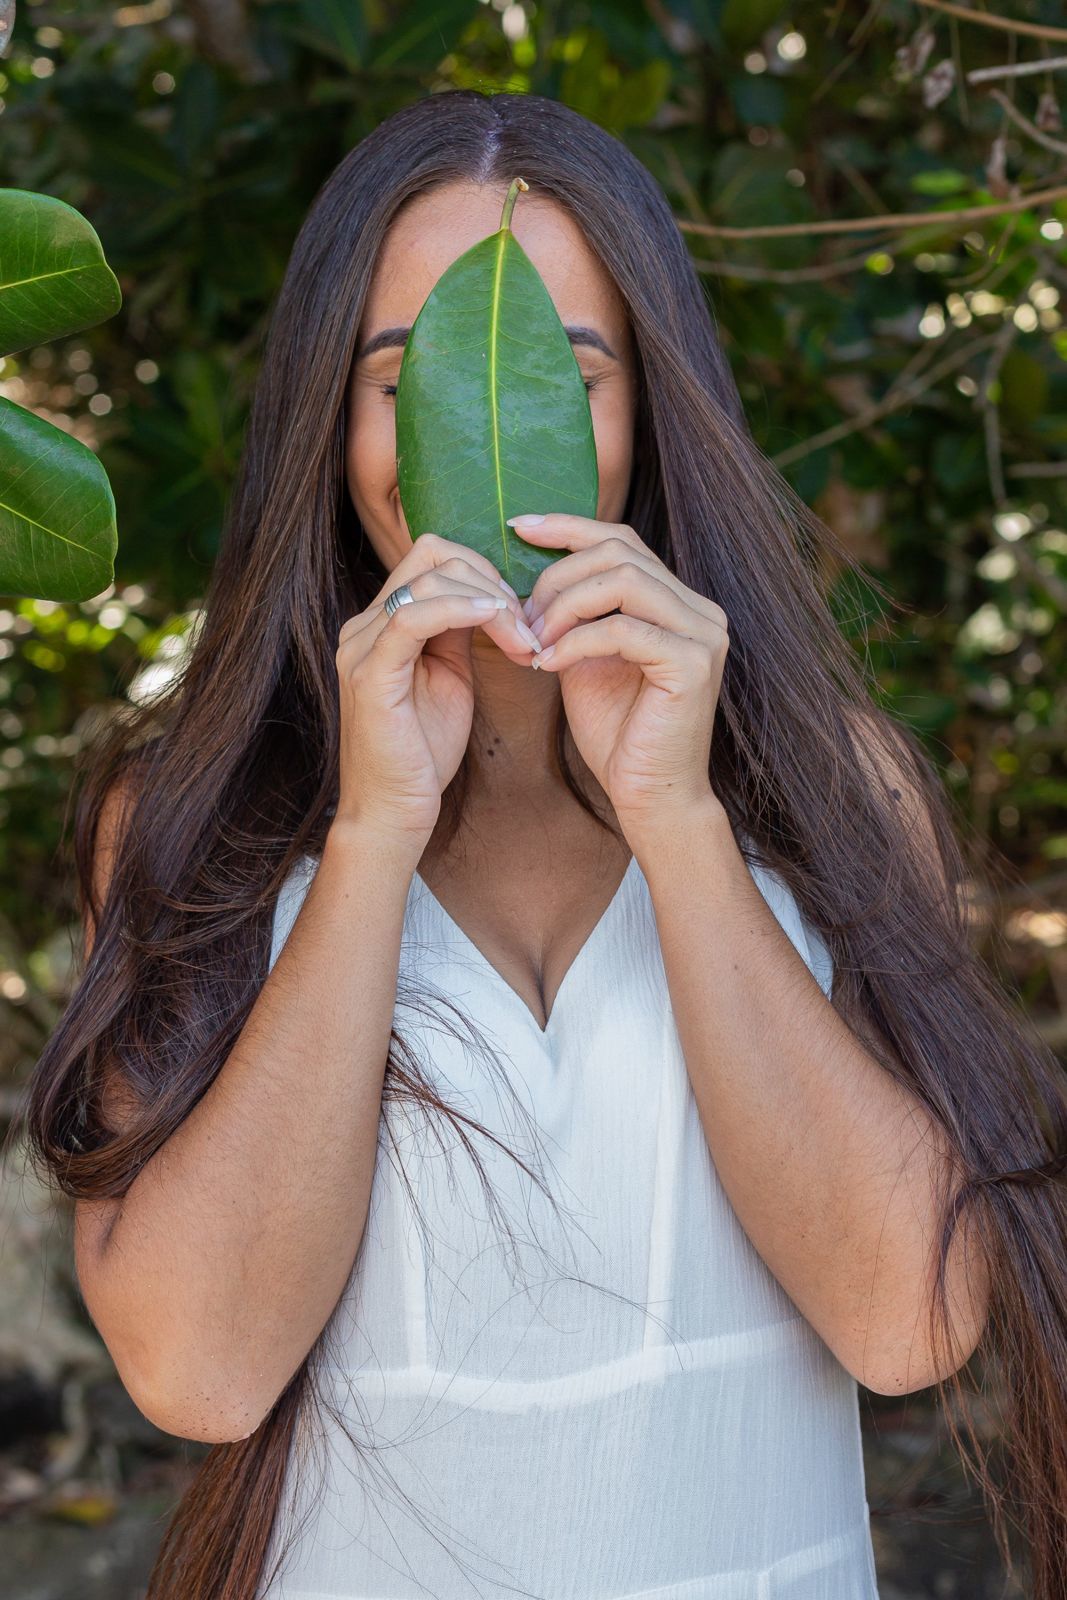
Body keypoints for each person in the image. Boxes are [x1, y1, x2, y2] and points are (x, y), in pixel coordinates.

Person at [23, 90, 1067, 1600]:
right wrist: (372, 832)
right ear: (332, 417)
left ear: (650, 406)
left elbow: (907, 1323)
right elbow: (199, 1369)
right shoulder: (201, 819)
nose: (489, 441)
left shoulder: (837, 793)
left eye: (568, 371)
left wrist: (680, 817)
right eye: (410, 379)